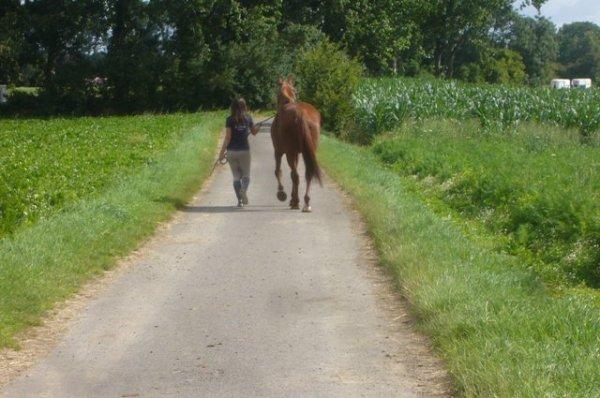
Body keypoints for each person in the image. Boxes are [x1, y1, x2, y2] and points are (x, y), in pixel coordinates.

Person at [218, 98, 259, 207]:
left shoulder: (229, 120)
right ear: (245, 106)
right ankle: (244, 190)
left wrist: (221, 153)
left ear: (233, 107)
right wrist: (258, 127)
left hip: (232, 152)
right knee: (246, 176)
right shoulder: (248, 118)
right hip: (244, 151)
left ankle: (240, 201)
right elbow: (254, 132)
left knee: (236, 177)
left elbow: (227, 138)